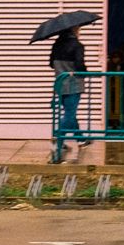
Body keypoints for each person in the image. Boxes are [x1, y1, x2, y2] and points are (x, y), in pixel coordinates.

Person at [49, 27, 87, 164]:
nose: (79, 31)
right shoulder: (78, 46)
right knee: (70, 114)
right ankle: (57, 142)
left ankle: (80, 138)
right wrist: (85, 72)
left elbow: (51, 64)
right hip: (74, 84)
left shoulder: (56, 45)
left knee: (70, 113)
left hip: (61, 83)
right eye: (78, 29)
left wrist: (62, 68)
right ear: (74, 31)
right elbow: (80, 65)